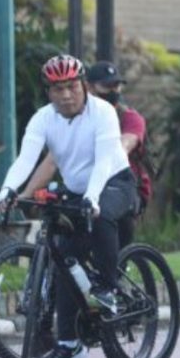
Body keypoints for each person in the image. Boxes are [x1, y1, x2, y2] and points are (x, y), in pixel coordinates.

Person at [0, 55, 138, 358]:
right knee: (61, 256)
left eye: (71, 86)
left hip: (115, 183)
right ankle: (69, 343)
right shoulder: (43, 119)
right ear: (48, 92)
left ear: (84, 85)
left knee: (100, 217)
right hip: (77, 190)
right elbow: (25, 159)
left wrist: (91, 197)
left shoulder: (102, 113)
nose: (66, 95)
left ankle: (108, 287)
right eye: (57, 89)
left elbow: (103, 161)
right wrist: (7, 191)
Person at [21, 61, 152, 246]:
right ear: (87, 87)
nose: (114, 90)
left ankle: (109, 273)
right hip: (86, 188)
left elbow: (122, 147)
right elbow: (51, 162)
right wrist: (26, 194)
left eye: (117, 85)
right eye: (107, 86)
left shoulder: (130, 118)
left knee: (102, 226)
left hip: (124, 189)